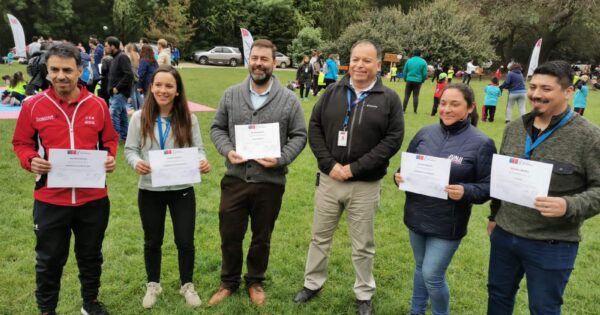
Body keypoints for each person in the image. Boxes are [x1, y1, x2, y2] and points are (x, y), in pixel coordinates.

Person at [293, 39, 404, 315]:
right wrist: (329, 165)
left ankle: (364, 293)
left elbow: (392, 141)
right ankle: (312, 283)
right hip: (329, 180)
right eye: (355, 59)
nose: (359, 65)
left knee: (363, 244)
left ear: (378, 65)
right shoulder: (332, 91)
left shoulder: (388, 99)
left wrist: (355, 168)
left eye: (367, 60)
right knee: (319, 238)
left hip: (364, 185)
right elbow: (315, 128)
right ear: (348, 61)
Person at [12, 42, 119, 315]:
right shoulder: (33, 105)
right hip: (50, 198)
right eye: (55, 70)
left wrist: (109, 157)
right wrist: (30, 160)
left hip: (92, 198)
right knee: (49, 259)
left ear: (80, 71)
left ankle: (90, 303)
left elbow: (109, 139)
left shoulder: (97, 105)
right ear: (47, 71)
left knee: (91, 255)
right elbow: (21, 142)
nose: (61, 76)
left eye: (68, 70)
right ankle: (47, 309)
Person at [487, 60, 600, 315]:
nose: (536, 94)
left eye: (547, 89)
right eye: (533, 86)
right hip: (505, 234)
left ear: (568, 92)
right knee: (498, 296)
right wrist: (494, 216)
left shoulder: (589, 137)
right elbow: (503, 176)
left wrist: (569, 205)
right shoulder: (514, 128)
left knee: (544, 308)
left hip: (552, 243)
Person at [209, 39, 307, 306]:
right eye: (255, 58)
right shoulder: (231, 94)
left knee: (261, 236)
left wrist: (281, 158)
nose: (259, 64)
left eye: (265, 59)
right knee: (230, 234)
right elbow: (217, 128)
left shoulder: (288, 100)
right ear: (248, 60)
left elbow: (299, 135)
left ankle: (255, 280)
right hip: (235, 179)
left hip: (270, 182)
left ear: (274, 63)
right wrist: (228, 150)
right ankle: (228, 282)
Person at [395, 83, 496, 315]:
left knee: (432, 275)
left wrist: (465, 191)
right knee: (421, 268)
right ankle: (416, 311)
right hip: (416, 215)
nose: (446, 109)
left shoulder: (482, 143)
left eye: (454, 104)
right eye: (443, 103)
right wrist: (398, 177)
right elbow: (405, 169)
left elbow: (489, 186)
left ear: (470, 108)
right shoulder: (424, 133)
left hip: (447, 222)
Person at [124, 65, 211, 308]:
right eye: (158, 85)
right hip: (150, 190)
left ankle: (187, 285)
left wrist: (202, 161)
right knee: (152, 240)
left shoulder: (188, 118)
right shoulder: (138, 118)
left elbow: (199, 148)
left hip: (182, 189)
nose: (163, 90)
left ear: (177, 90)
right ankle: (153, 284)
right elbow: (130, 150)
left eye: (169, 86)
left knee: (185, 240)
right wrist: (137, 162)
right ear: (151, 88)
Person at [105, 36, 133, 141]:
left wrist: (117, 88)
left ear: (113, 46)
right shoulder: (115, 58)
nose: (105, 48)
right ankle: (125, 136)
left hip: (120, 93)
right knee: (122, 115)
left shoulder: (122, 57)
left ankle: (115, 138)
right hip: (115, 94)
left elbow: (129, 75)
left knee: (113, 114)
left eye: (106, 46)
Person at [124, 43, 142, 110]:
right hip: (136, 75)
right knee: (137, 93)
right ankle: (142, 107)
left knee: (132, 94)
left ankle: (136, 109)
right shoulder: (137, 55)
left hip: (131, 77)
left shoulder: (128, 56)